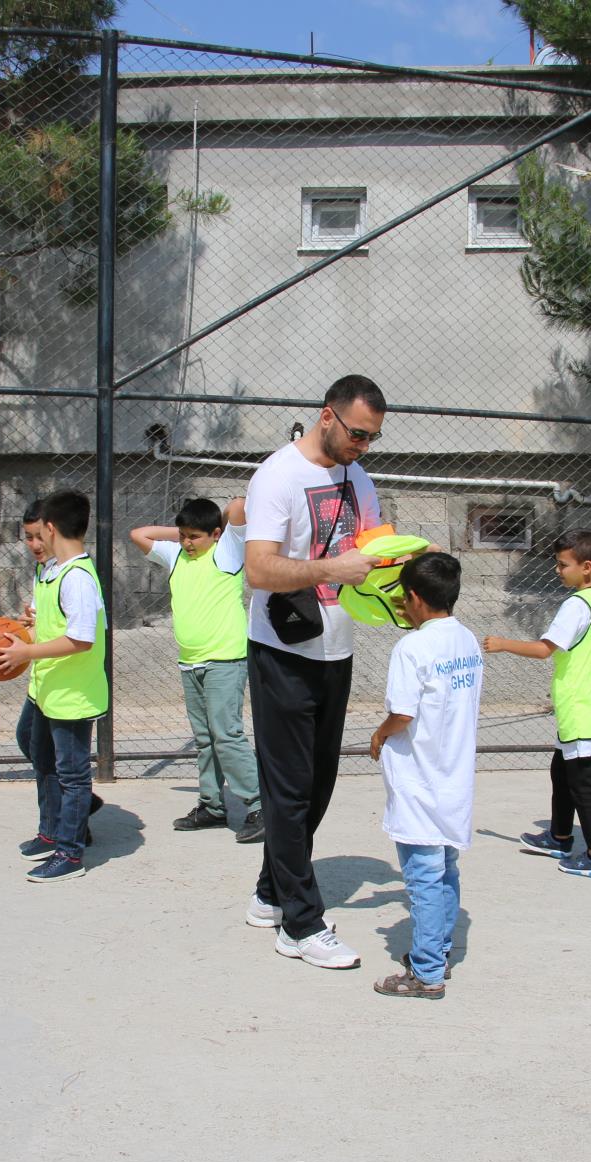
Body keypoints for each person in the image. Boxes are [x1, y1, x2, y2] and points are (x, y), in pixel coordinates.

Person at [241, 374, 386, 970]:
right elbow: (259, 571)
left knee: (319, 782)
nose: (363, 446)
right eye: (357, 434)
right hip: (282, 650)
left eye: (373, 438)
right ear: (327, 416)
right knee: (290, 786)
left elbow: (371, 554)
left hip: (336, 649)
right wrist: (333, 566)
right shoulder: (277, 476)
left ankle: (270, 891)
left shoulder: (361, 478)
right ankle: (300, 925)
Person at [367, 553, 482, 1000]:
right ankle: (438, 951)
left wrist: (378, 736)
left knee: (423, 878)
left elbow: (403, 713)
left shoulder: (412, 648)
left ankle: (427, 973)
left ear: (413, 597)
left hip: (420, 783)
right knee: (446, 869)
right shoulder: (467, 640)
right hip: (453, 780)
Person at [481, 529, 591, 880]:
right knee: (562, 769)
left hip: (582, 708)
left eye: (563, 565)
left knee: (581, 781)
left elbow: (546, 649)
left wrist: (502, 643)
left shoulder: (576, 605)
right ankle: (560, 836)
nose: (557, 571)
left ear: (586, 567)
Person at [129, 497, 265, 841]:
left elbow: (237, 507)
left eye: (195, 537)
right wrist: (182, 532)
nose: (187, 543)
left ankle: (259, 807)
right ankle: (212, 807)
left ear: (215, 534)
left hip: (224, 660)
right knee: (205, 739)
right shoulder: (176, 555)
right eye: (184, 536)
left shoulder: (227, 553)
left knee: (226, 734)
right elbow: (138, 534)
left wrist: (214, 529)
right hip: (190, 663)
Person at [0, 490, 109, 884]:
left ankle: (70, 853)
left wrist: (27, 652)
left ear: (51, 527)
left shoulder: (77, 578)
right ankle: (56, 827)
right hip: (47, 688)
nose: (33, 542)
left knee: (71, 775)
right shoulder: (52, 572)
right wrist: (30, 625)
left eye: (36, 533)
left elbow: (81, 639)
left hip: (72, 695)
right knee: (37, 750)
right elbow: (57, 622)